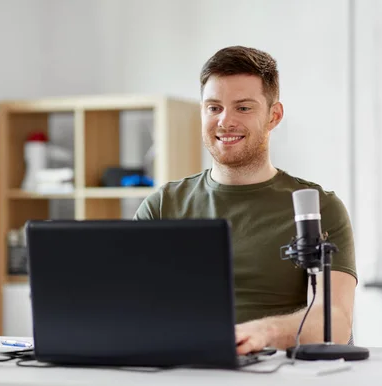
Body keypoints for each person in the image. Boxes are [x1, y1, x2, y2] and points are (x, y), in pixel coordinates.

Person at [133, 46, 357, 355]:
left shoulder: (317, 207)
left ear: (273, 116)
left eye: (243, 108)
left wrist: (262, 333)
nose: (225, 121)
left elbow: (335, 319)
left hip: (276, 368)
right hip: (185, 367)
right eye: (214, 108)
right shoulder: (162, 206)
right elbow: (131, 307)